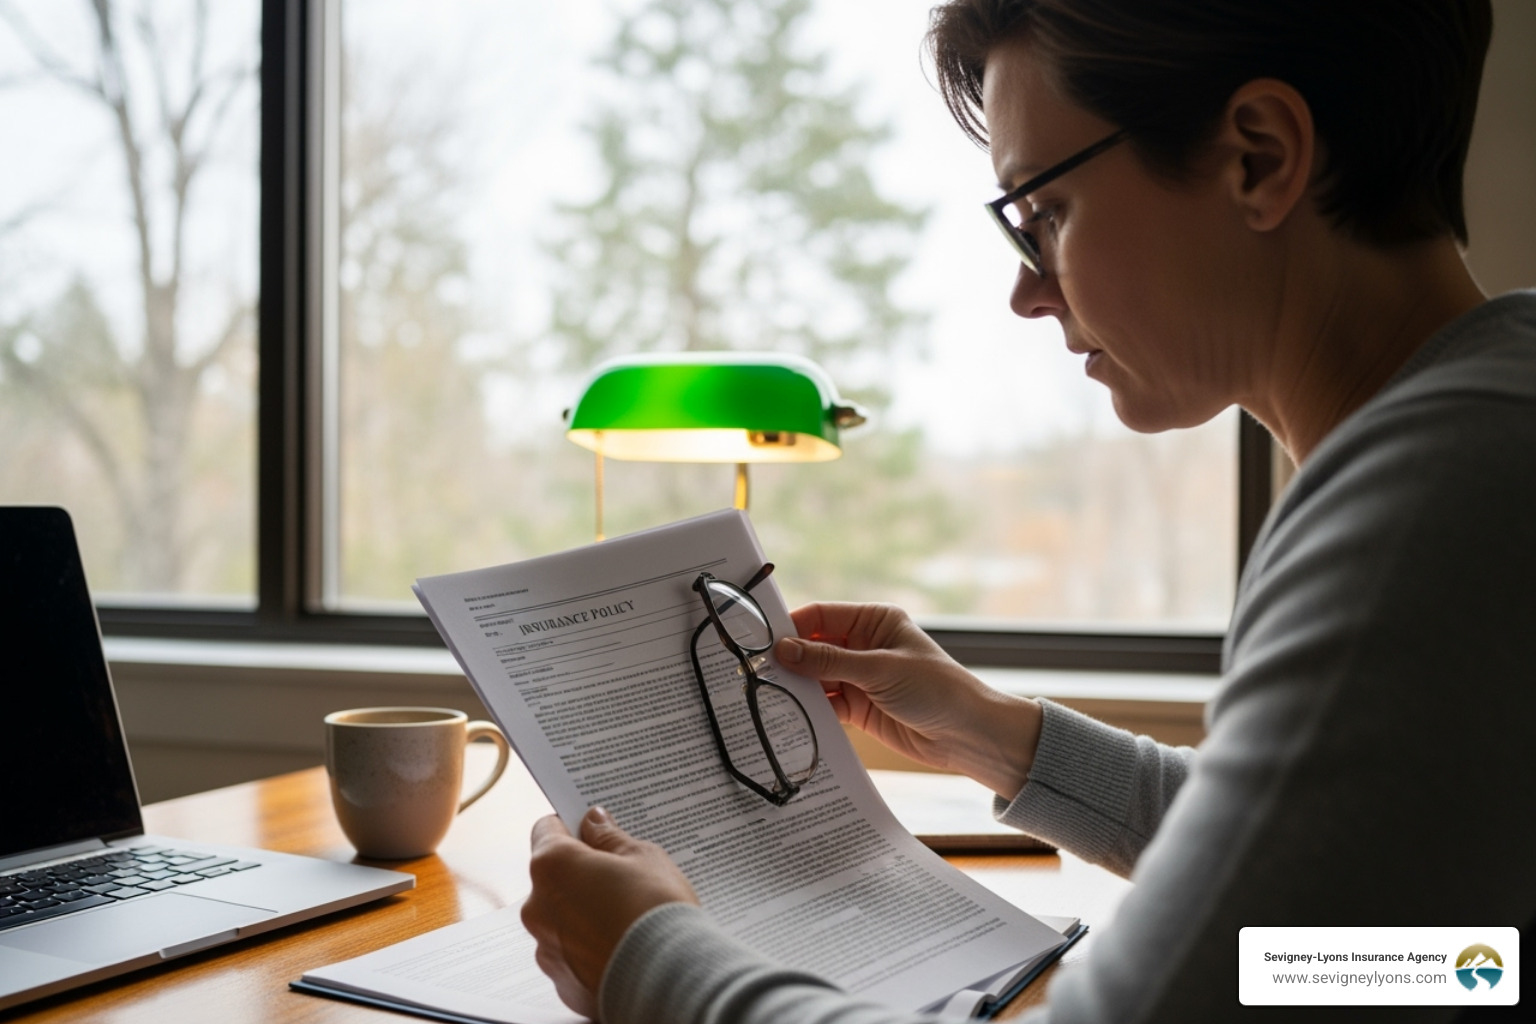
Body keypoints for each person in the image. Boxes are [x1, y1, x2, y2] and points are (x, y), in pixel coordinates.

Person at [521, 0, 1536, 1020]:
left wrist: (650, 962)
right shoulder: (1485, 431)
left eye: (1042, 213)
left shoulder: (1423, 521)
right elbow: (1401, 942)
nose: (1024, 292)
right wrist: (995, 733)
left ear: (1259, 159)